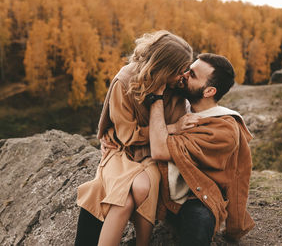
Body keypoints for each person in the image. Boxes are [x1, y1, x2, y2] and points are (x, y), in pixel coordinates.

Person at [75, 30, 195, 246]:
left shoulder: (177, 88)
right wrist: (171, 127)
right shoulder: (124, 82)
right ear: (164, 68)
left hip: (152, 154)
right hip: (122, 150)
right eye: (180, 70)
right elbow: (126, 135)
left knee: (139, 189)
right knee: (126, 200)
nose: (183, 76)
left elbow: (179, 131)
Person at [149, 53, 255, 245]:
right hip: (159, 186)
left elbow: (159, 150)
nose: (184, 74)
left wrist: (156, 96)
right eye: (188, 69)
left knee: (199, 221)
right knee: (101, 195)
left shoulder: (223, 129)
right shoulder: (176, 102)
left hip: (197, 196)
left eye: (193, 74)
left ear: (209, 91)